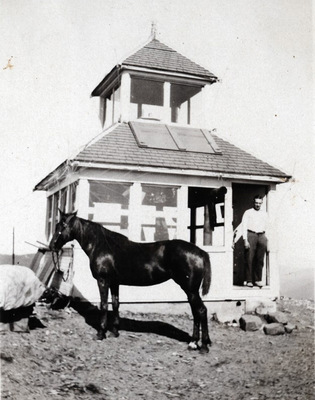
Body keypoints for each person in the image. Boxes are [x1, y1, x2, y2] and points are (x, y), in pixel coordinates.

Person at [241, 195, 269, 288]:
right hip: (251, 235)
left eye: (259, 203)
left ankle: (257, 279)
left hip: (262, 235)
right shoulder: (248, 212)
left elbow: (268, 227)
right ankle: (249, 280)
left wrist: (267, 241)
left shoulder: (264, 213)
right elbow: (244, 226)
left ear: (261, 203)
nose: (257, 205)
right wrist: (245, 240)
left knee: (260, 259)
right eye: (256, 203)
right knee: (249, 258)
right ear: (253, 202)